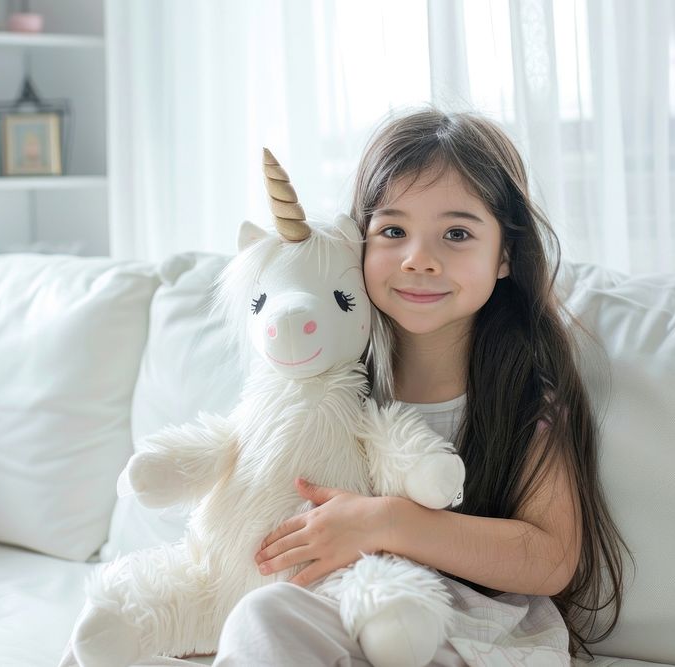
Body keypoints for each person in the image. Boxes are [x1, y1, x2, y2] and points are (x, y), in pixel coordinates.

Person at [210, 108, 632, 665]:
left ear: (504, 254)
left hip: (471, 630)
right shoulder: (331, 381)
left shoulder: (522, 399)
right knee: (260, 618)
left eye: (456, 234)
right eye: (393, 231)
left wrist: (387, 521)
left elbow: (551, 558)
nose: (419, 259)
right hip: (345, 608)